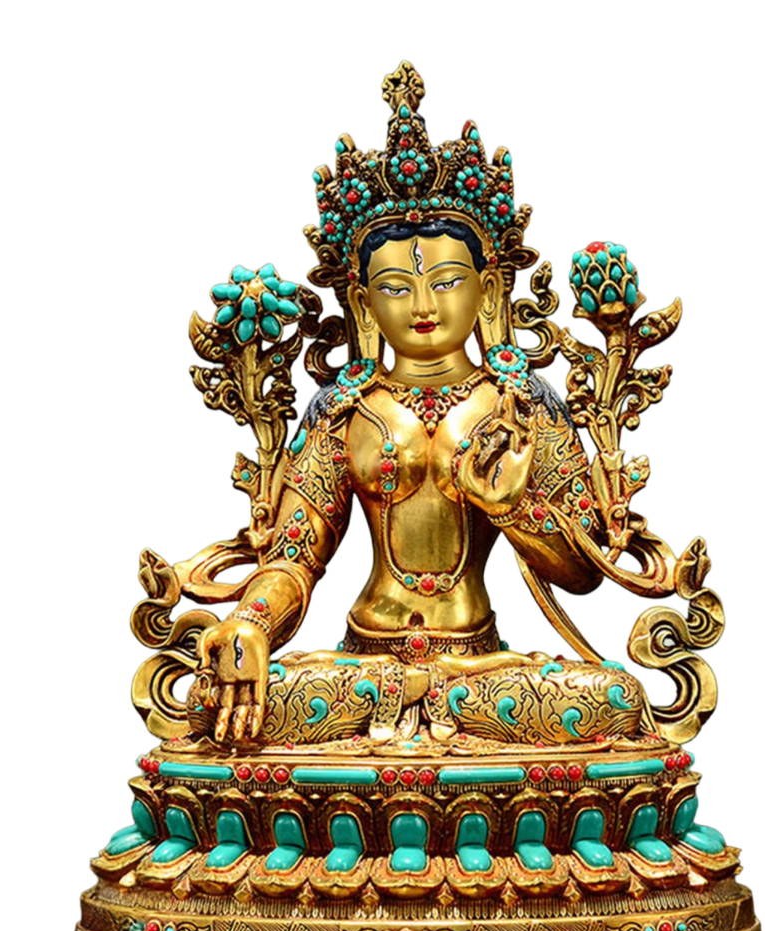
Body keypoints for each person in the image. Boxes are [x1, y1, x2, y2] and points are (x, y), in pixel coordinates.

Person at [190, 215, 657, 748]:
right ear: (364, 304)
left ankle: (421, 702)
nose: (423, 307)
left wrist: (512, 509)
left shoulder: (525, 409)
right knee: (208, 698)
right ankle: (416, 698)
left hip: (477, 668)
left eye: (447, 281)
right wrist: (250, 624)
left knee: (616, 697)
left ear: (489, 290)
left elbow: (582, 572)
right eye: (395, 288)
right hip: (364, 665)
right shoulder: (343, 415)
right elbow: (293, 559)